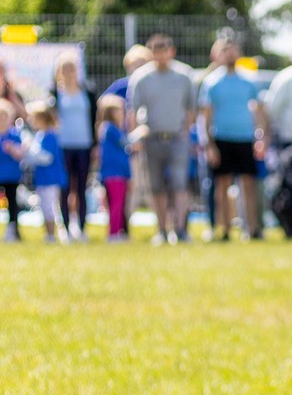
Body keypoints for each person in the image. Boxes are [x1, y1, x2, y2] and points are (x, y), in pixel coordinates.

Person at [128, 33, 198, 245]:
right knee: (156, 186)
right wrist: (136, 136)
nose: (159, 57)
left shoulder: (184, 75)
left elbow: (191, 108)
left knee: (179, 184)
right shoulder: (141, 77)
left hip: (177, 138)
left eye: (163, 52)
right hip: (151, 139)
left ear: (171, 51)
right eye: (155, 53)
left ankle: (180, 230)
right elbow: (132, 111)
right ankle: (162, 230)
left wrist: (185, 131)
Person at [198, 37, 268, 242]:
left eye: (233, 50)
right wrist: (209, 144)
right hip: (222, 138)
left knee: (249, 185)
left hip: (245, 138)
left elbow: (260, 110)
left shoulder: (250, 80)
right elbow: (206, 116)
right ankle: (225, 229)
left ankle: (253, 229)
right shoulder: (212, 82)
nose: (230, 55)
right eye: (225, 51)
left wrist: (261, 136)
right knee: (222, 185)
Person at [50, 54, 96, 240]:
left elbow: (94, 120)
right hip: (64, 146)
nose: (69, 73)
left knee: (83, 187)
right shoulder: (54, 94)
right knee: (66, 187)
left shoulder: (88, 92)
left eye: (72, 68)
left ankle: (82, 228)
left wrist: (95, 145)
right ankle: (66, 227)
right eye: (65, 69)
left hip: (84, 146)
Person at [23, 102, 68, 243]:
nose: (30, 121)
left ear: (42, 119)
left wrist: (30, 149)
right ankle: (49, 234)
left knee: (51, 208)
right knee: (44, 207)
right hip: (43, 179)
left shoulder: (50, 136)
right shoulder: (41, 135)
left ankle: (53, 234)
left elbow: (47, 157)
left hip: (51, 179)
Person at [96, 98, 133, 242]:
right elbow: (127, 142)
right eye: (119, 110)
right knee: (116, 205)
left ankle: (119, 231)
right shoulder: (109, 128)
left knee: (119, 204)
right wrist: (140, 133)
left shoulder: (113, 129)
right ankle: (113, 233)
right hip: (114, 174)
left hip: (120, 173)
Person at [0, 99, 22, 241]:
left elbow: (20, 154)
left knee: (13, 204)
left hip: (12, 176)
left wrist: (12, 149)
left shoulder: (14, 134)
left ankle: (12, 230)